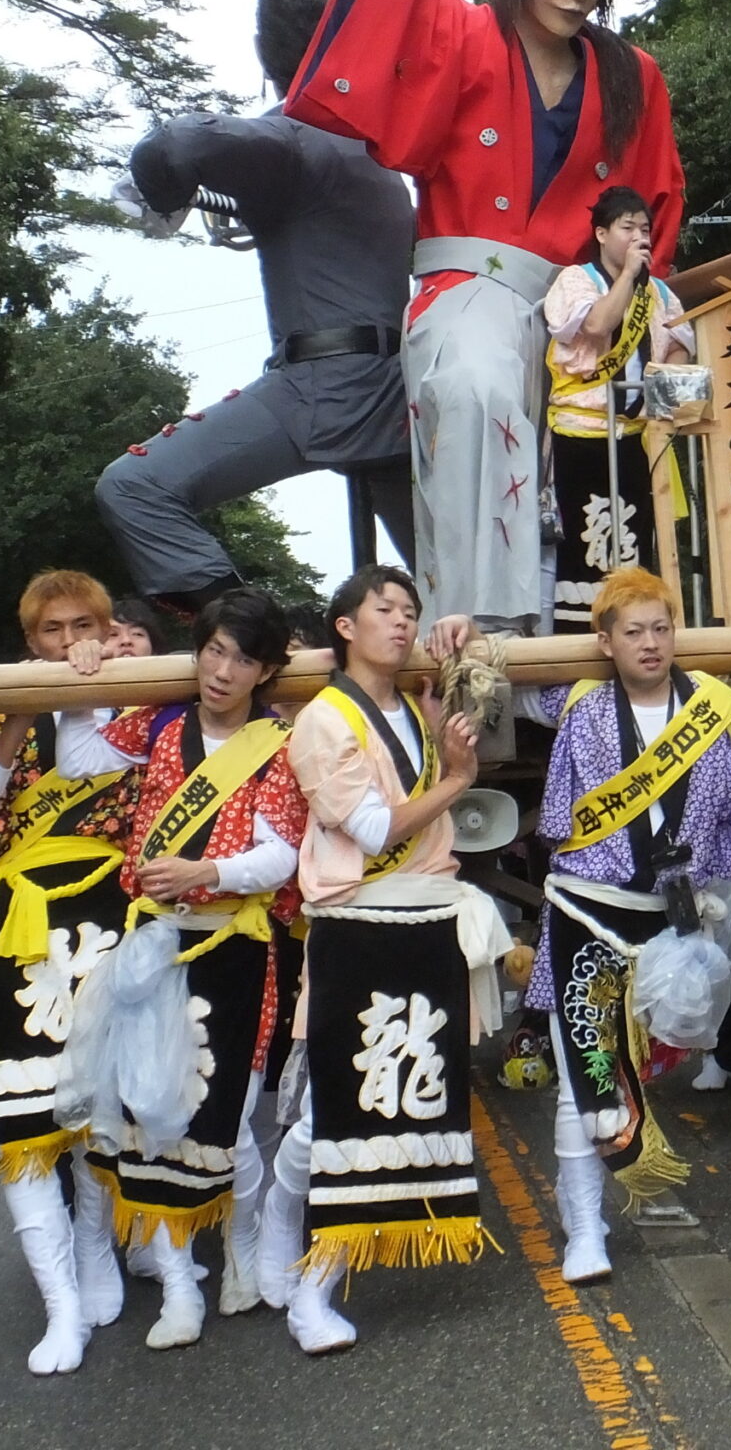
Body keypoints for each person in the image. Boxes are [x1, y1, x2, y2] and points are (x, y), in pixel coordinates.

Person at [259, 0, 687, 634]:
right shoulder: (458, 35)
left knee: (613, 442)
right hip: (472, 282)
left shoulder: (633, 74)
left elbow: (649, 221)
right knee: (475, 387)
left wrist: (649, 322)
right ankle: (479, 630)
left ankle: (613, 631)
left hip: (587, 304)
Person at [494, 568, 731, 1283]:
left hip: (668, 913)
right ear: (605, 641)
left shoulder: (716, 706)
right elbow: (498, 677)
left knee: (645, 1067)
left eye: (662, 627)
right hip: (584, 909)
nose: (651, 643)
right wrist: (470, 645)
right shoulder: (575, 702)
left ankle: (596, 1206)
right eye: (633, 631)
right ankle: (585, 1229)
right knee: (586, 1075)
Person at [99, 0, 419, 612]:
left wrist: (159, 191)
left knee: (132, 487)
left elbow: (172, 146)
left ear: (265, 52)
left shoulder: (292, 138)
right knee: (461, 584)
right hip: (399, 394)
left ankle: (254, 635)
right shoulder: (385, 153)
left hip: (322, 387)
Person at [256, 566, 511, 1355]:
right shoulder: (324, 719)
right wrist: (460, 777)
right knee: (339, 1110)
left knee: (409, 1099)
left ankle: (295, 1243)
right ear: (344, 625)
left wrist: (464, 627)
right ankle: (308, 1282)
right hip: (358, 925)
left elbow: (491, 658)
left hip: (427, 920)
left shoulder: (418, 700)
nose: (401, 624)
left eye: (412, 612)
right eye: (383, 610)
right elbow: (375, 828)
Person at [54, 587, 309, 1352]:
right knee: (150, 1112)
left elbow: (281, 852)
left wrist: (207, 870)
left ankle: (242, 1241)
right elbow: (80, 759)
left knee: (225, 1114)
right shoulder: (162, 723)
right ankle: (178, 1285)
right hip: (155, 945)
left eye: (243, 658)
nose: (223, 670)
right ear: (197, 651)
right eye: (215, 651)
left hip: (233, 944)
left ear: (266, 671)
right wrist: (78, 681)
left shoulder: (277, 742)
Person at [0, 568, 139, 1376]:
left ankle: (95, 1251)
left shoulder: (132, 703)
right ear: (30, 640)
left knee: (101, 1106)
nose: (70, 641)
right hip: (19, 930)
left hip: (109, 917)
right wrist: (18, 721)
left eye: (84, 623)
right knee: (26, 1115)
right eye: (53, 630)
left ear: (107, 625)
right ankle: (58, 1305)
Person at [544, 187, 695, 628]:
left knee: (635, 544)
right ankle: (578, 637)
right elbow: (595, 325)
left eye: (644, 229)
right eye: (627, 228)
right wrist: (628, 276)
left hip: (638, 435)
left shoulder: (662, 293)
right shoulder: (575, 280)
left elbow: (681, 346)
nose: (638, 237)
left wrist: (666, 378)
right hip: (580, 433)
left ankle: (637, 629)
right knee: (584, 546)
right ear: (602, 232)